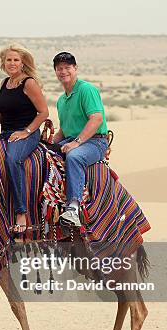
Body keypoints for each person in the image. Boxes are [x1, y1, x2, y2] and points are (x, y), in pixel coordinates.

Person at [0, 44, 49, 234]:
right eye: (9, 60)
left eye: (16, 60)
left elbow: (43, 112)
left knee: (12, 160)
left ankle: (21, 213)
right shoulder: (5, 83)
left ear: (23, 63)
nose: (12, 63)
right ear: (3, 63)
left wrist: (26, 131)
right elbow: (5, 114)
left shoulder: (29, 83)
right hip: (6, 133)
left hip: (28, 133)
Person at [51, 52, 109, 227]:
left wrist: (76, 143)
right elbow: (64, 129)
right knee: (41, 156)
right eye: (59, 68)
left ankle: (73, 209)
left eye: (67, 67)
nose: (63, 71)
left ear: (75, 69)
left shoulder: (86, 90)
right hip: (71, 139)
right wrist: (48, 143)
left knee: (74, 157)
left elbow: (96, 118)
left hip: (95, 141)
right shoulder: (61, 100)